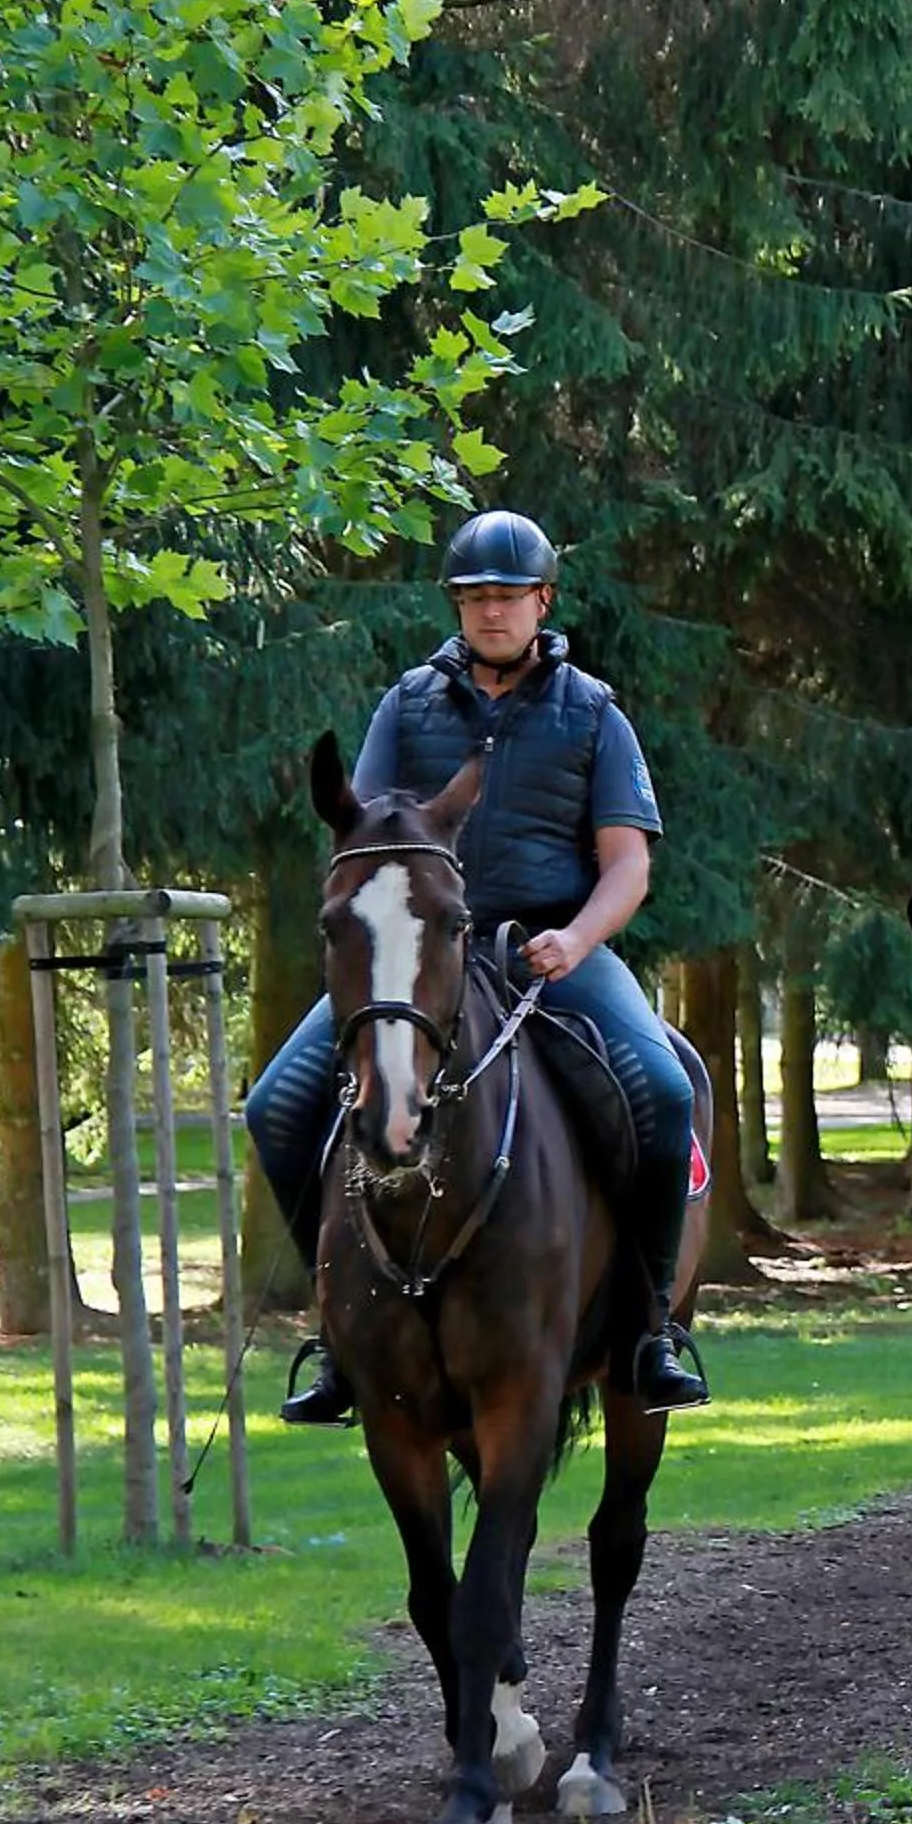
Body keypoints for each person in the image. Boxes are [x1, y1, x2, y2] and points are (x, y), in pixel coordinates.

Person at [247, 508, 707, 1421]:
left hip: (550, 950)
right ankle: (339, 1333)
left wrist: (578, 938)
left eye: (507, 596)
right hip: (421, 954)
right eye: (473, 598)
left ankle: (652, 1330)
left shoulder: (593, 714)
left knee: (663, 1090)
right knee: (276, 1105)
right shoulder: (407, 704)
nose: (491, 612)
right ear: (456, 606)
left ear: (543, 600)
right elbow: (367, 836)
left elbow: (628, 863)